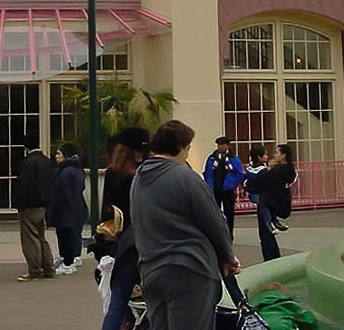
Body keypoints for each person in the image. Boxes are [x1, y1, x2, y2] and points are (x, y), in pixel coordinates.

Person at [131, 120, 239, 330]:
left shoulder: (139, 179)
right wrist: (228, 257)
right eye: (188, 148)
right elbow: (215, 223)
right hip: (189, 270)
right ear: (179, 147)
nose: (187, 154)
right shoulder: (186, 178)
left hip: (151, 269)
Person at [101, 127, 150, 330]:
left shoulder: (114, 172)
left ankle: (123, 324)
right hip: (146, 240)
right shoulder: (148, 170)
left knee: (119, 298)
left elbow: (107, 209)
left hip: (124, 241)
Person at [14, 133, 56, 281]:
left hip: (30, 204)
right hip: (44, 204)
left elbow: (23, 186)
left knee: (30, 238)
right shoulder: (47, 162)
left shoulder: (27, 163)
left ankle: (34, 269)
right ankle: (49, 267)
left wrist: (19, 205)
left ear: (26, 148)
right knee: (41, 236)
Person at [246, 144, 296, 262]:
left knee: (265, 233)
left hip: (271, 203)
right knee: (267, 233)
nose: (274, 155)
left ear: (284, 155)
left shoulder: (279, 171)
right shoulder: (287, 169)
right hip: (277, 201)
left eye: (277, 153)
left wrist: (249, 185)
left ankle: (271, 258)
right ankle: (273, 224)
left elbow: (260, 182)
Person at [49, 142, 87, 274]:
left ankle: (68, 262)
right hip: (76, 207)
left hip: (66, 209)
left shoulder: (65, 173)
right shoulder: (77, 170)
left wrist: (55, 209)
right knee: (72, 234)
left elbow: (63, 193)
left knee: (66, 235)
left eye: (59, 154)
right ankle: (70, 258)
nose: (56, 156)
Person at [202, 135, 244, 240]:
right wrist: (208, 184)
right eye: (218, 145)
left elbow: (239, 173)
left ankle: (229, 234)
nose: (219, 147)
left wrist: (231, 184)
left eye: (222, 144)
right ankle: (216, 234)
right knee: (214, 213)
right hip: (215, 188)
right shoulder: (212, 158)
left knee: (229, 213)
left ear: (227, 146)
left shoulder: (233, 159)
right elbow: (207, 172)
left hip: (227, 189)